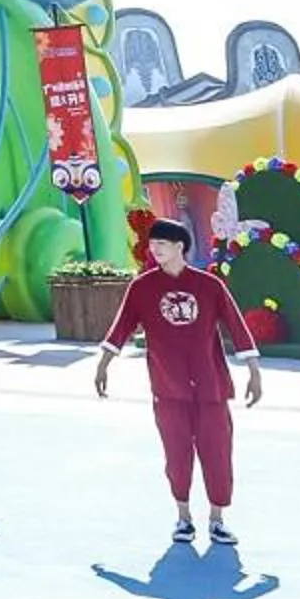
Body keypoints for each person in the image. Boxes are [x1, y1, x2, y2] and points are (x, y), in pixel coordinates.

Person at [95, 218, 263, 549]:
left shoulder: (210, 286)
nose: (154, 249)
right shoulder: (141, 288)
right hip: (168, 388)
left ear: (179, 247)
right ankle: (183, 518)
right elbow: (121, 327)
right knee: (176, 455)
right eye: (152, 244)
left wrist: (254, 372)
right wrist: (103, 365)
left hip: (211, 387)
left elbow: (236, 325)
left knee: (217, 453)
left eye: (162, 243)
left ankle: (217, 520)